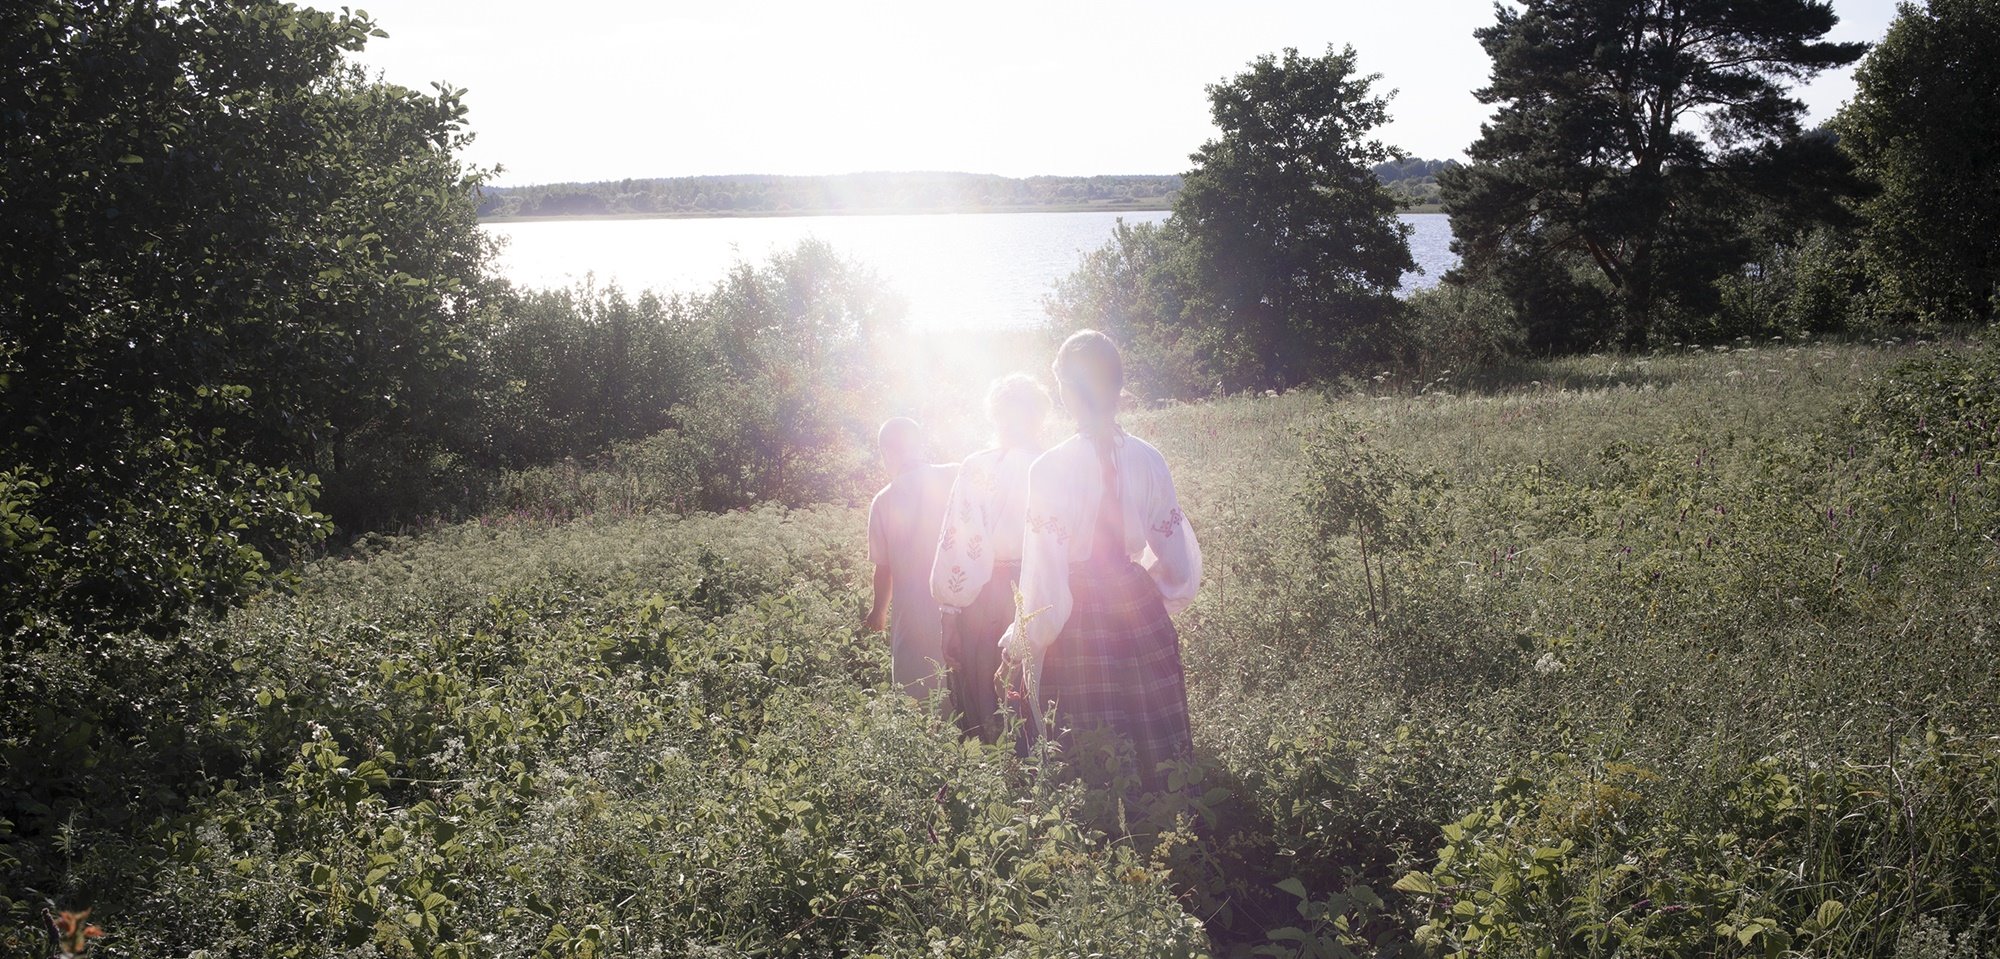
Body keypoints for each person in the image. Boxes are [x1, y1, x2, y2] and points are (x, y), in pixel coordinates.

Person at [999, 330, 1201, 787]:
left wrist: (1022, 639)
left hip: (1079, 615)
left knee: (1087, 738)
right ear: (1118, 386)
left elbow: (1045, 585)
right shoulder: (1150, 459)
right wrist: (1148, 595)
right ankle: (1167, 819)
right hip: (1137, 602)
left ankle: (1102, 832)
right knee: (1155, 736)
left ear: (1066, 392)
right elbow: (1179, 567)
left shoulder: (1048, 468)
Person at [930, 373, 1052, 741]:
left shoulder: (977, 467)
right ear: (1040, 417)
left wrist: (949, 614)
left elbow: (959, 547)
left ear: (995, 415)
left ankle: (994, 773)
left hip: (986, 595)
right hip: (1043, 591)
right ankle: (1037, 769)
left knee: (985, 689)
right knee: (1038, 687)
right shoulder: (1055, 464)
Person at [865, 417, 959, 700]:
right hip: (961, 610)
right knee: (963, 696)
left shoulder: (884, 500)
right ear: (919, 445)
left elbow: (884, 570)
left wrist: (877, 613)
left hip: (914, 617)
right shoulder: (955, 475)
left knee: (918, 697)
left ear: (886, 453)